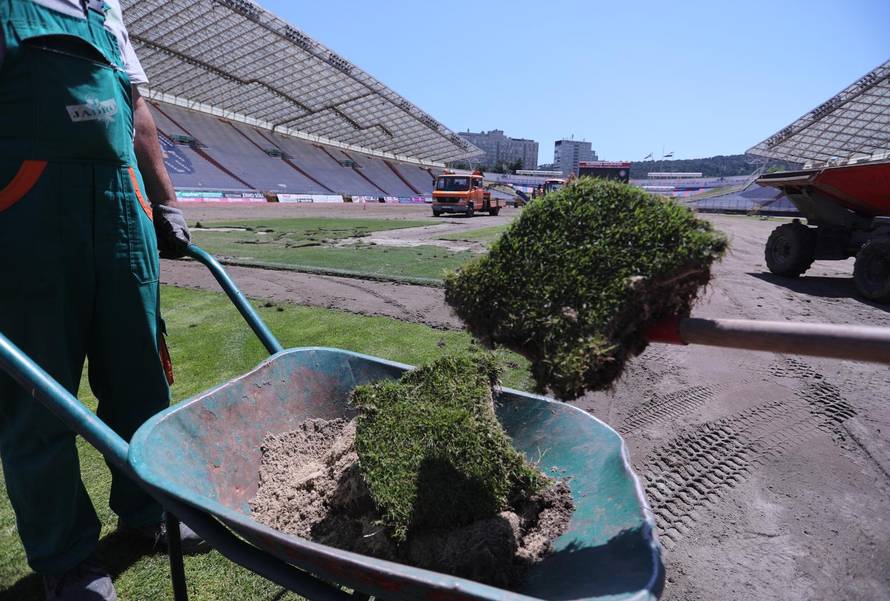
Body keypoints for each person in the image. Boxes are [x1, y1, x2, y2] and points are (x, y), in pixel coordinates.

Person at [0, 0, 201, 599]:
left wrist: (165, 202)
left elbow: (137, 110)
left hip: (121, 211)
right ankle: (66, 557)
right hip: (26, 210)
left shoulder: (104, 8)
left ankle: (148, 515)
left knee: (140, 377)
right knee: (39, 395)